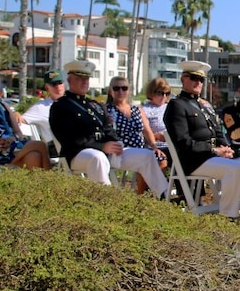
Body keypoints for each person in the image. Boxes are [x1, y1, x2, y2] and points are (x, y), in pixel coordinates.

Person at [49, 60, 168, 197]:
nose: (84, 82)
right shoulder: (61, 106)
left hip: (105, 152)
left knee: (146, 156)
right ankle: (108, 202)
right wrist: (101, 146)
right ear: (69, 80)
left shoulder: (93, 105)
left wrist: (115, 142)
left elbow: (108, 129)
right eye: (79, 78)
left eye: (86, 78)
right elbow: (69, 139)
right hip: (77, 154)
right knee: (97, 157)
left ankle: (164, 199)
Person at [164, 61, 240, 222]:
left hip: (213, 157)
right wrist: (214, 150)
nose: (198, 83)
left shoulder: (203, 106)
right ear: (183, 79)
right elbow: (183, 143)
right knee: (235, 170)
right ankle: (228, 218)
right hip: (194, 160)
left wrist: (227, 148)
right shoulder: (177, 106)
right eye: (194, 78)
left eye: (201, 80)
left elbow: (218, 132)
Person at [104, 75, 168, 195]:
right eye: (116, 88)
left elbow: (147, 130)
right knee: (147, 157)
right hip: (120, 151)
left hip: (140, 149)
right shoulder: (106, 109)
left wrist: (155, 147)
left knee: (159, 157)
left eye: (124, 88)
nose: (120, 91)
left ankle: (148, 194)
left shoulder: (137, 109)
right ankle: (159, 196)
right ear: (110, 90)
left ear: (128, 90)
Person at [141, 76, 172, 153]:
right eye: (160, 93)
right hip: (155, 147)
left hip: (173, 146)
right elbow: (142, 132)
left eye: (166, 93)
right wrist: (155, 136)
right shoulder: (144, 109)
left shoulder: (170, 107)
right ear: (152, 92)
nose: (164, 96)